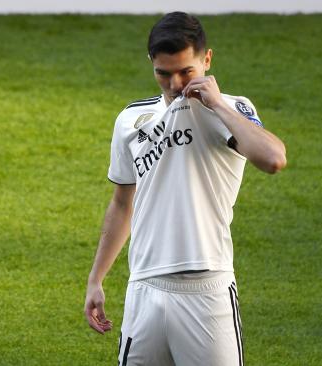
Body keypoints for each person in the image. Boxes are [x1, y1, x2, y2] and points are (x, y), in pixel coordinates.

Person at [83, 11, 287, 366]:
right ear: (151, 64)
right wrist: (96, 278)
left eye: (186, 71)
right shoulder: (131, 120)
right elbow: (122, 204)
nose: (175, 84)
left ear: (206, 60)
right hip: (144, 289)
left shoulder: (232, 111)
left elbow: (273, 159)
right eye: (163, 73)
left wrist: (218, 103)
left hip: (207, 291)